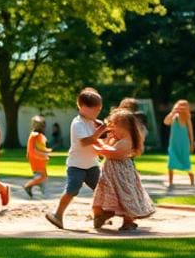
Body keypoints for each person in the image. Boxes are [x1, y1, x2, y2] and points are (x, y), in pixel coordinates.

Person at [45, 88, 107, 230]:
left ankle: (98, 216)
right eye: (96, 110)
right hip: (77, 165)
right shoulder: (78, 123)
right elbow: (85, 141)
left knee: (100, 190)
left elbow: (98, 139)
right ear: (84, 108)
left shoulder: (93, 122)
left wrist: (106, 132)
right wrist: (101, 131)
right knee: (72, 189)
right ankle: (57, 215)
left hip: (92, 165)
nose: (98, 113)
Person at [91, 108, 155, 231]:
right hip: (110, 174)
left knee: (124, 194)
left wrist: (96, 147)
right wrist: (98, 137)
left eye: (114, 127)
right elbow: (105, 144)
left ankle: (128, 221)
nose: (112, 130)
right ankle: (101, 214)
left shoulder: (127, 141)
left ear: (124, 128)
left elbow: (112, 153)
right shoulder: (116, 139)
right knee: (104, 192)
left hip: (121, 174)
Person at [164, 100, 195, 188]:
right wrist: (173, 112)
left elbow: (190, 132)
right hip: (173, 143)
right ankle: (170, 183)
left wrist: (192, 143)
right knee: (171, 162)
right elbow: (166, 122)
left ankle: (191, 177)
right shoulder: (174, 117)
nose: (181, 108)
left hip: (184, 144)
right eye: (179, 106)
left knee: (185, 161)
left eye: (183, 106)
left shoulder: (187, 118)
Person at [23, 115, 52, 198]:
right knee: (43, 176)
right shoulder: (36, 136)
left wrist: (46, 151)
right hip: (37, 159)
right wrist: (45, 153)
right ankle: (28, 185)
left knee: (42, 176)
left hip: (36, 158)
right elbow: (36, 149)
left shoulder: (36, 135)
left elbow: (39, 147)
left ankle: (43, 192)